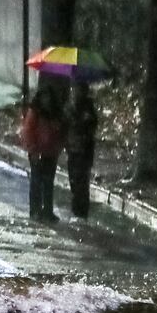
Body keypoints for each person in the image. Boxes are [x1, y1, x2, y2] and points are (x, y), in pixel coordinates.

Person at [20, 88, 65, 222]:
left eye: (49, 98)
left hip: (50, 153)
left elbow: (60, 134)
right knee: (36, 181)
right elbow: (28, 131)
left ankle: (47, 211)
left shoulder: (56, 114)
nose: (47, 101)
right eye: (45, 97)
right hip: (37, 152)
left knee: (48, 183)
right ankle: (35, 210)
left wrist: (58, 148)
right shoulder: (34, 112)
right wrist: (33, 150)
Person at [65, 82, 98, 219]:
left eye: (79, 90)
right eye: (75, 90)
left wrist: (83, 122)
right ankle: (77, 209)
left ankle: (80, 211)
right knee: (74, 179)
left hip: (84, 151)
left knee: (82, 182)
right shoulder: (71, 107)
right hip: (72, 149)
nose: (76, 93)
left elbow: (92, 126)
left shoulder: (88, 109)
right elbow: (66, 123)